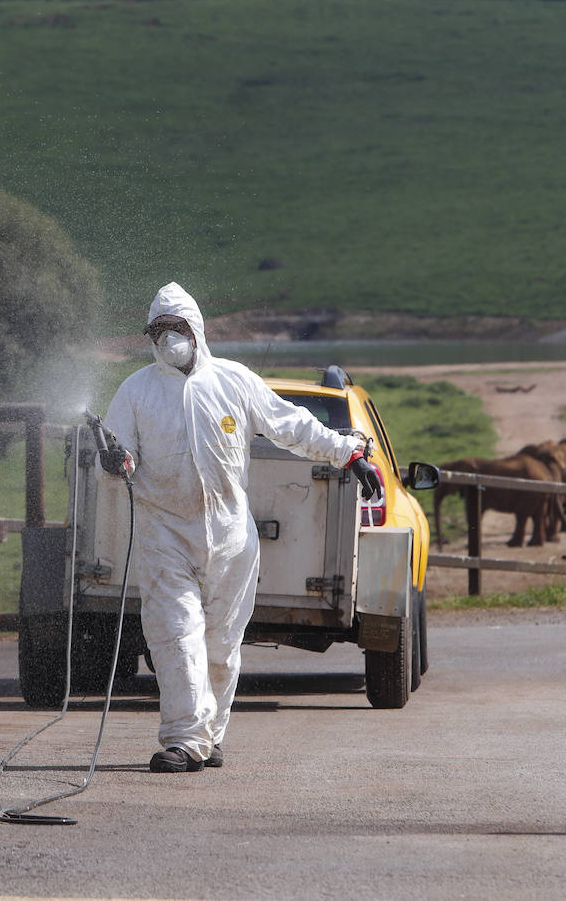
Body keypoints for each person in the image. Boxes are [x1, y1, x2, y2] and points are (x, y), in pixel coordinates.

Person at [99, 282, 382, 773]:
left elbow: (291, 425)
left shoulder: (233, 381)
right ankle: (184, 740)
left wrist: (347, 453)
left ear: (197, 330)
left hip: (231, 540)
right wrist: (114, 459)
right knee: (176, 635)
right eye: (160, 331)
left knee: (222, 646)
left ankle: (209, 735)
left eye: (177, 329)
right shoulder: (136, 391)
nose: (169, 340)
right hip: (165, 538)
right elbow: (118, 454)